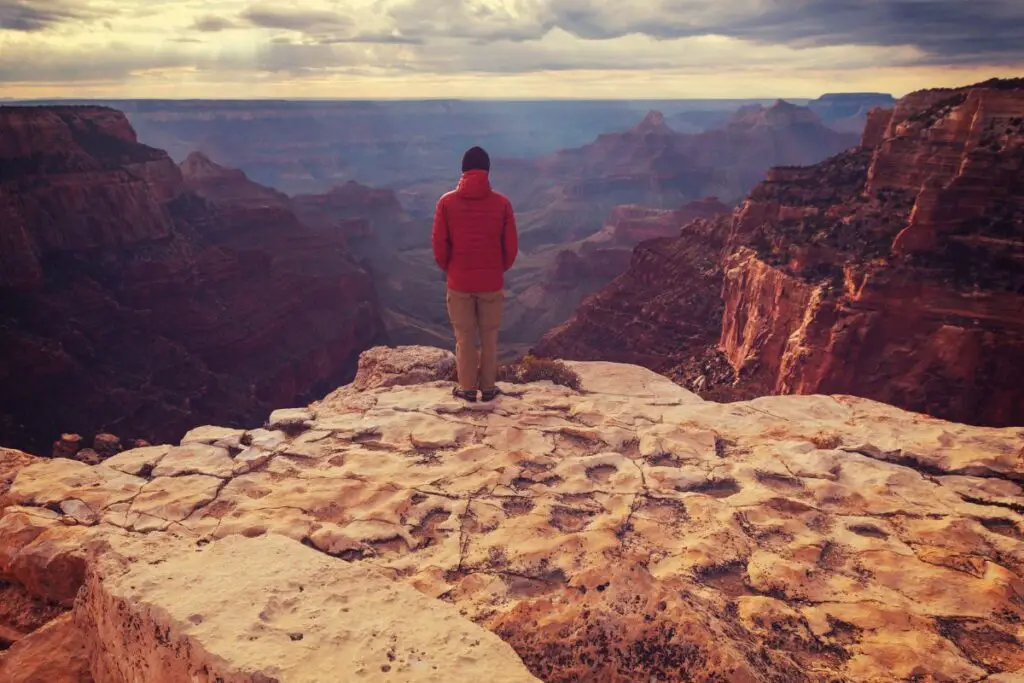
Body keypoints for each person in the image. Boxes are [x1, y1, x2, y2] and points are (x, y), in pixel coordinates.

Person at [432, 146, 518, 402]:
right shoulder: (502, 203)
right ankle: (489, 388)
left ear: (463, 170)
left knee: (465, 337)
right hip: (491, 282)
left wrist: (452, 269)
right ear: (487, 170)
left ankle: (467, 389)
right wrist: (496, 269)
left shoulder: (446, 202)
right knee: (490, 337)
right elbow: (511, 247)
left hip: (459, 282)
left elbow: (439, 245)